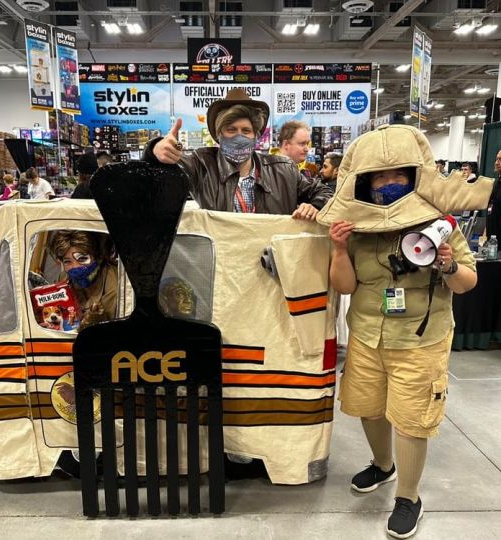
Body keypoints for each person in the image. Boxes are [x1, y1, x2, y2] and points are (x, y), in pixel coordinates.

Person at [319, 124, 479, 538]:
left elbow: (467, 282)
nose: (388, 184)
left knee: (412, 420)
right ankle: (383, 466)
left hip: (422, 339)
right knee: (369, 406)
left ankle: (409, 497)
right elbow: (345, 286)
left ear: (413, 177)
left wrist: (445, 265)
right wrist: (338, 248)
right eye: (379, 177)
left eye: (397, 176)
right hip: (368, 334)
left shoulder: (440, 224)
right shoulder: (357, 227)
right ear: (366, 183)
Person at [144, 88, 332, 221]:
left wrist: (314, 205)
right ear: (219, 135)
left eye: (246, 130)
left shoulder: (283, 169)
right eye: (231, 130)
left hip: (271, 265)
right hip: (225, 264)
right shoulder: (202, 164)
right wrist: (155, 150)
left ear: (256, 136)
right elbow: (159, 177)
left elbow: (325, 192)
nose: (239, 137)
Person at [50, 230, 117, 332]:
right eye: (68, 261)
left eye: (82, 259)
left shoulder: (115, 286)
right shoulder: (64, 278)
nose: (75, 267)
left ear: (97, 257)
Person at [486, 149, 501, 239]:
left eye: (500, 159)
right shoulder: (496, 182)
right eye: (496, 159)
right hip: (492, 239)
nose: (496, 162)